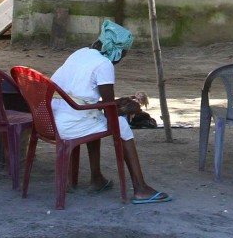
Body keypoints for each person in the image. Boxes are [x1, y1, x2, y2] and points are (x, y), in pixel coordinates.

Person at [51, 20, 172, 204]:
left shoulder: (81, 53)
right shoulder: (104, 64)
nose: (121, 59)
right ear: (117, 51)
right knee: (121, 125)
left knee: (94, 117)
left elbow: (84, 98)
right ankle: (140, 188)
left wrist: (117, 103)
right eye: (123, 54)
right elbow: (110, 112)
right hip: (68, 124)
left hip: (50, 119)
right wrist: (127, 108)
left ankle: (96, 178)